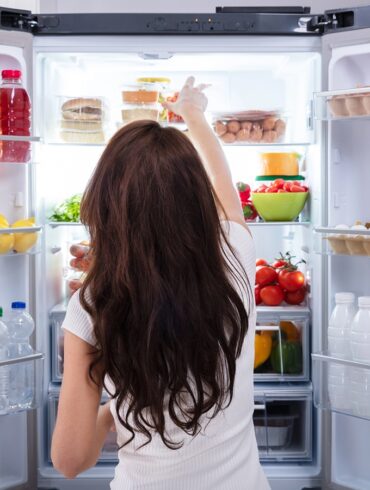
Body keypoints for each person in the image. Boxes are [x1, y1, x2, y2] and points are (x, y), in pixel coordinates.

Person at [51, 76, 270, 490]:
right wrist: (194, 114)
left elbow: (70, 460)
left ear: (105, 204)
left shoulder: (93, 304)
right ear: (197, 202)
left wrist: (114, 408)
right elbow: (226, 192)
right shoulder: (237, 259)